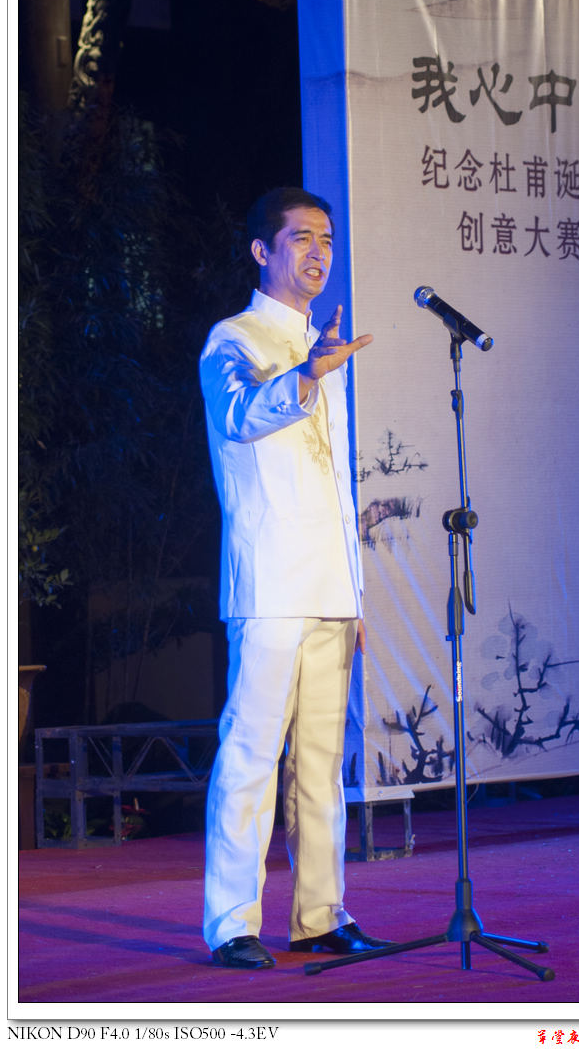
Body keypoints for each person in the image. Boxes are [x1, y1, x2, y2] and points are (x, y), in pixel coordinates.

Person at [199, 186, 389, 969]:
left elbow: (336, 484)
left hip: (328, 589)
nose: (319, 252)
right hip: (271, 583)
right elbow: (240, 415)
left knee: (320, 764)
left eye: (327, 240)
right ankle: (231, 922)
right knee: (251, 753)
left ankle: (320, 914)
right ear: (262, 251)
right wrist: (307, 373)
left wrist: (355, 593)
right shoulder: (233, 339)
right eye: (302, 237)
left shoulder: (322, 343)